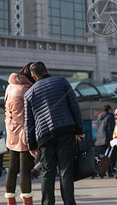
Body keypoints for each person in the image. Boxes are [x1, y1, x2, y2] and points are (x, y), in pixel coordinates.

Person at [24, 61, 84, 205]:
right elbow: (74, 106)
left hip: (44, 137)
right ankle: (69, 203)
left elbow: (29, 122)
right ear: (47, 70)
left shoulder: (28, 94)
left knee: (47, 172)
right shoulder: (62, 81)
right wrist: (79, 130)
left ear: (33, 76)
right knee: (65, 170)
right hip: (66, 131)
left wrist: (31, 144)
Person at [4, 63, 36, 205]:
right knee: (25, 169)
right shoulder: (26, 89)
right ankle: (27, 202)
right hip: (23, 132)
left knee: (12, 167)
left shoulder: (10, 87)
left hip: (11, 131)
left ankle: (11, 201)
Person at [95, 104, 116, 178]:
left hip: (100, 139)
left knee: (104, 156)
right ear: (109, 109)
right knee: (110, 156)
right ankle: (109, 172)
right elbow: (111, 129)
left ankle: (103, 171)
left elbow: (97, 127)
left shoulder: (99, 117)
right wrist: (112, 140)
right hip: (107, 139)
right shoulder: (110, 117)